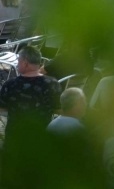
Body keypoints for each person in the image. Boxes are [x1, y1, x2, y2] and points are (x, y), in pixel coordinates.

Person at [0, 46, 62, 188]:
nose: (17, 64)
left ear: (25, 63)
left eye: (19, 61)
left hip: (14, 137)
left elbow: (2, 107)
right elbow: (58, 109)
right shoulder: (52, 84)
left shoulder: (11, 85)